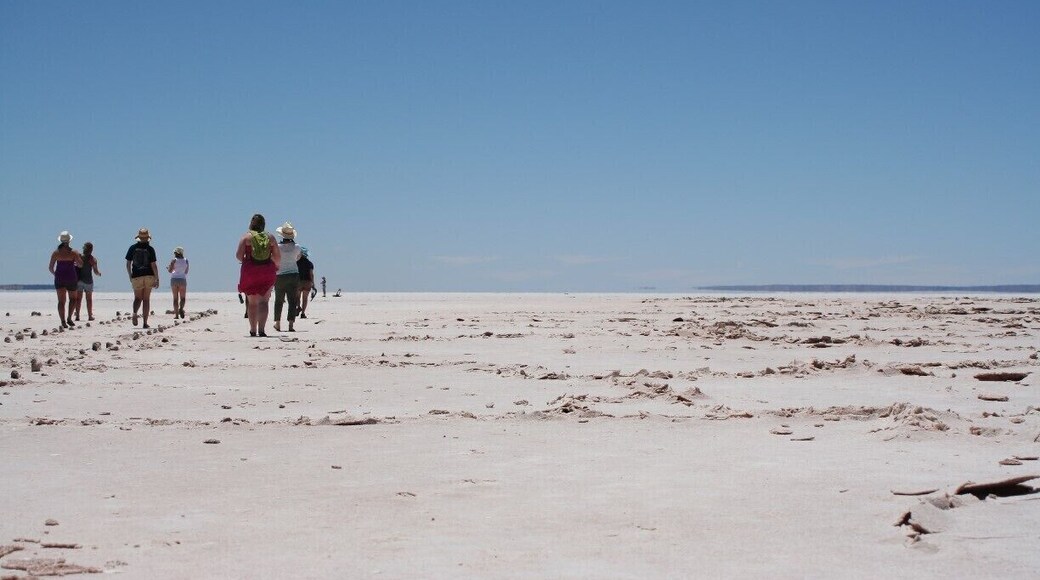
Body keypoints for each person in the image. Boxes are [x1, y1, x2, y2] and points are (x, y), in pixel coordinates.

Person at [236, 213, 280, 337]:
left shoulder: (246, 237)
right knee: (264, 302)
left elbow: (238, 256)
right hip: (267, 271)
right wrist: (275, 266)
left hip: (250, 271)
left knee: (252, 302)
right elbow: (277, 257)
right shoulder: (270, 237)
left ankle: (252, 330)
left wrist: (246, 259)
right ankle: (261, 330)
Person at [125, 228, 159, 328]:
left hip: (136, 275)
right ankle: (145, 322)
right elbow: (153, 265)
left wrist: (130, 274)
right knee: (146, 299)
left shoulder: (132, 248)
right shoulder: (150, 249)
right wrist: (157, 278)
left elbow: (128, 263)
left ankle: (135, 313)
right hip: (149, 275)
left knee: (137, 298)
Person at [48, 231, 82, 328]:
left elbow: (50, 268)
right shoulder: (74, 252)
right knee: (73, 299)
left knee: (61, 301)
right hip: (71, 277)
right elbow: (80, 264)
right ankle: (69, 318)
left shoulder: (55, 253)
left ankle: (63, 321)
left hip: (59, 278)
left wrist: (56, 274)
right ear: (69, 241)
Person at [272, 222, 301, 332]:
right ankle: (291, 324)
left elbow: (273, 258)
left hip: (280, 275)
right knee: (292, 300)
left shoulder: (278, 247)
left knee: (279, 300)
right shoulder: (297, 247)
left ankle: (278, 323)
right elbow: (298, 258)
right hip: (293, 274)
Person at [73, 242, 101, 321]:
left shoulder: (79, 256)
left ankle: (77, 316)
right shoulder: (92, 259)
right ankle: (90, 316)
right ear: (91, 249)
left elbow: (75, 265)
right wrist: (99, 273)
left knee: (78, 299)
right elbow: (95, 271)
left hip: (79, 280)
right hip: (88, 280)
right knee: (89, 299)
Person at [167, 246, 189, 319]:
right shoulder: (186, 260)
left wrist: (169, 268)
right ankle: (181, 308)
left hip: (174, 279)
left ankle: (176, 315)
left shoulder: (174, 260)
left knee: (175, 298)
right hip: (182, 279)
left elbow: (170, 270)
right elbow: (186, 271)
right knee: (183, 298)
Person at [296, 246, 315, 319]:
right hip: (307, 282)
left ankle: (298, 307)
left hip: (299, 281)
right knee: (305, 298)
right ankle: (303, 313)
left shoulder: (296, 262)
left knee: (297, 297)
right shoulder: (309, 263)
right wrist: (313, 284)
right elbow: (311, 274)